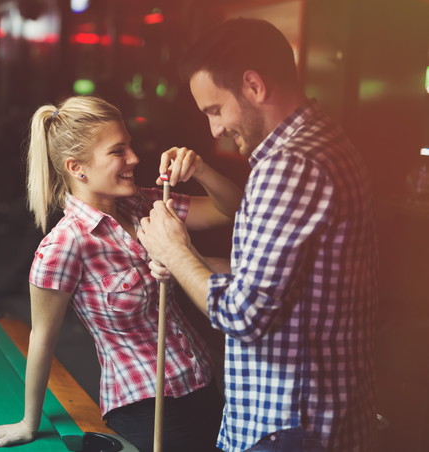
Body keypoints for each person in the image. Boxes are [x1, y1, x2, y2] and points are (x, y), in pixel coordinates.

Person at [137, 18, 378, 452]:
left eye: (215, 110)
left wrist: (175, 251)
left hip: (286, 429)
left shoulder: (289, 166)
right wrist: (193, 262)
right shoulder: (324, 141)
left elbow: (243, 313)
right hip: (311, 423)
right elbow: (282, 283)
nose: (214, 129)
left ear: (253, 85)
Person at [0, 95, 242, 451]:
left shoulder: (145, 204)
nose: (134, 159)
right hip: (147, 406)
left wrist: (200, 169)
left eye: (130, 147)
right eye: (118, 151)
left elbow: (231, 209)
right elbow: (42, 338)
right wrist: (28, 422)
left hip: (205, 383)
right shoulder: (64, 245)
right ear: (78, 168)